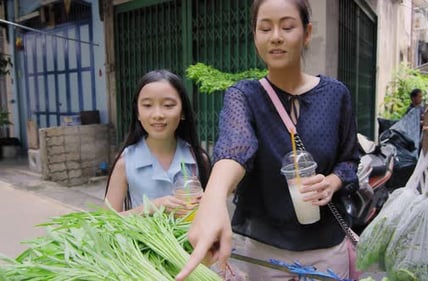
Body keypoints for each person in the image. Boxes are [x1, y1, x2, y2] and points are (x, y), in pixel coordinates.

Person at [176, 0, 359, 280]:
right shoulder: (244, 95)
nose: (276, 36)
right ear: (255, 36)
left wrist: (331, 183)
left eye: (287, 26)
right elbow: (235, 147)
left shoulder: (336, 95)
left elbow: (349, 160)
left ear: (306, 33)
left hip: (327, 248)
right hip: (263, 252)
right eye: (265, 28)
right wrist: (214, 197)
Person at [104, 70, 211, 214]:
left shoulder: (198, 159)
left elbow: (212, 214)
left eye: (168, 105)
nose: (158, 115)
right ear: (138, 113)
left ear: (183, 112)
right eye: (147, 105)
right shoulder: (125, 163)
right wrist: (151, 207)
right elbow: (106, 223)